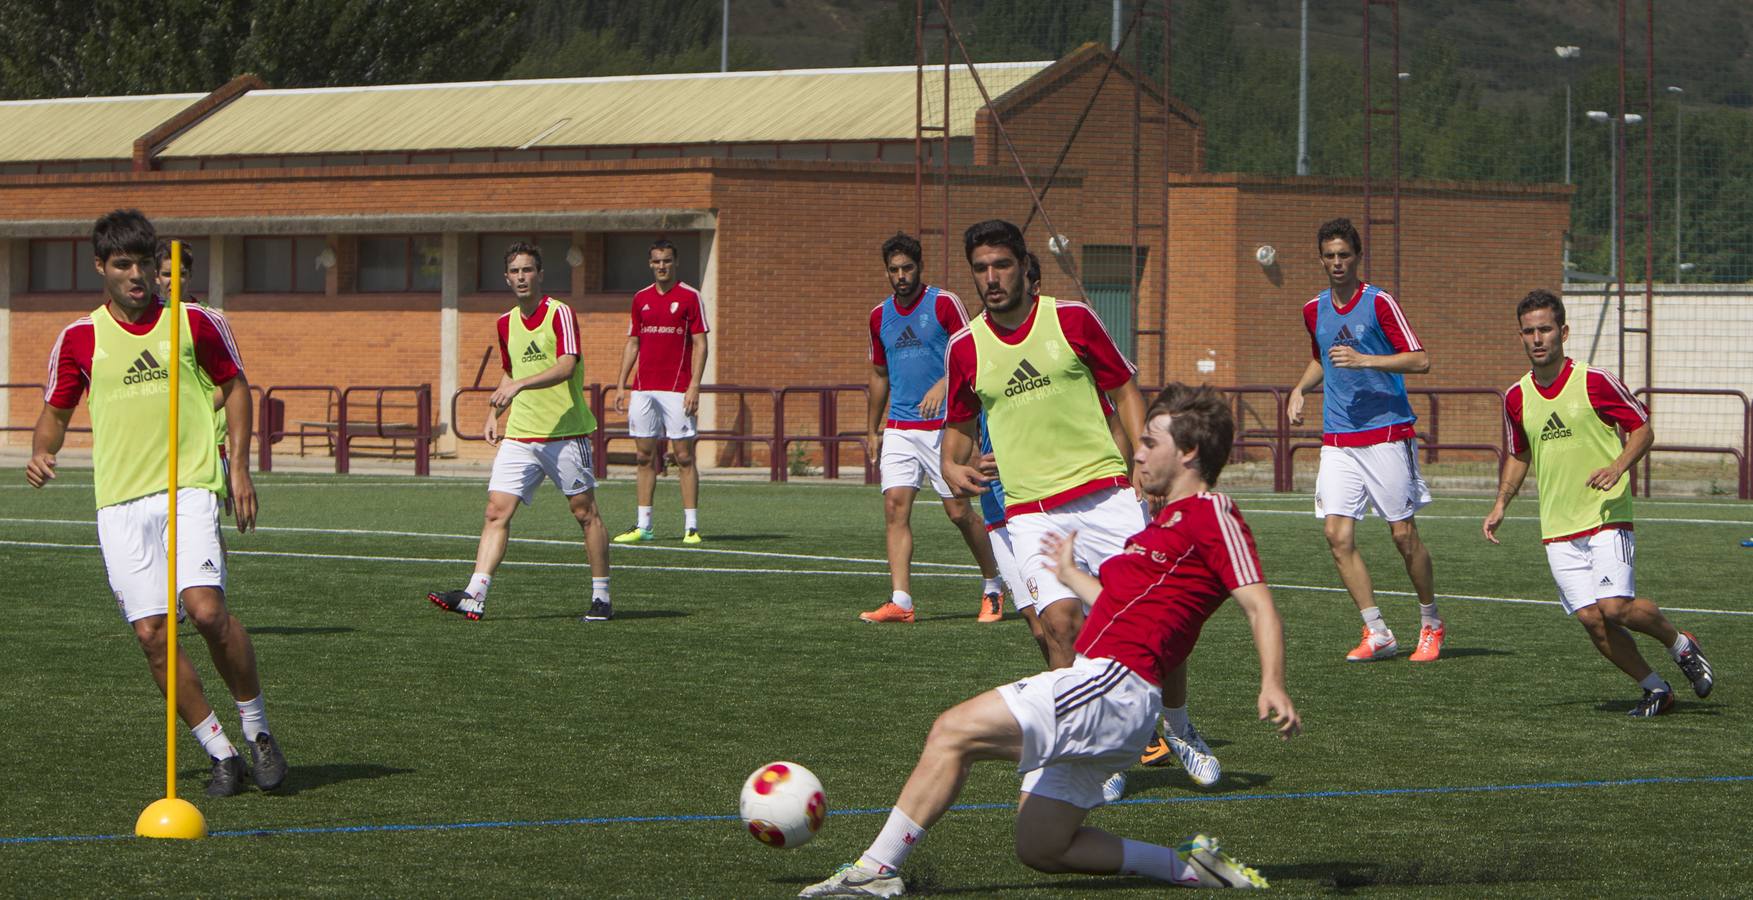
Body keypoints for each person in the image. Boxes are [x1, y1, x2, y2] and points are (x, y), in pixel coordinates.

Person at [800, 383, 1300, 898]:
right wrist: (1070, 572)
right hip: (1111, 691)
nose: (1138, 450)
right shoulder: (1155, 526)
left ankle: (876, 870)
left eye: (1151, 442)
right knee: (1042, 847)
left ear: (1190, 453)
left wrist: (1273, 683)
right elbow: (1119, 604)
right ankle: (1191, 867)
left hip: (1114, 685)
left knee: (952, 731)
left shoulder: (1213, 512)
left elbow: (1259, 603)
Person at [941, 219, 1218, 800]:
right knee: (1061, 625)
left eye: (1002, 265)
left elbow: (1123, 391)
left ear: (1023, 266)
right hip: (1032, 511)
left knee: (1153, 624)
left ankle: (1180, 725)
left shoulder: (1071, 320)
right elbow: (958, 430)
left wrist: (1146, 465)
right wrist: (952, 468)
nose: (991, 279)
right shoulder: (965, 347)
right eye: (981, 270)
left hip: (1107, 497)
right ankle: (1100, 749)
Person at [26, 209, 286, 796]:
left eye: (147, 263)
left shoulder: (195, 323)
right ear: (101, 268)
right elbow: (55, 414)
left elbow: (238, 389)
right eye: (124, 264)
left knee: (206, 611)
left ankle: (259, 732)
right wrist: (43, 451)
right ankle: (220, 752)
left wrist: (239, 470)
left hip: (188, 487)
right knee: (151, 635)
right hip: (118, 504)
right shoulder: (79, 338)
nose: (139, 275)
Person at [1483, 289, 1714, 716]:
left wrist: (1619, 465)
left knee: (1616, 608)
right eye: (1529, 331)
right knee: (1592, 619)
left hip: (1606, 516)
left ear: (1563, 332)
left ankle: (1680, 643)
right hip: (1557, 528)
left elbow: (1642, 428)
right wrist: (1501, 504)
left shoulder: (1594, 380)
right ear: (1521, 336)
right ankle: (1656, 689)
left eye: (1546, 329)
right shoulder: (1516, 397)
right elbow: (1519, 453)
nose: (1537, 338)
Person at [427, 241, 613, 622]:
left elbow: (566, 365)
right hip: (521, 434)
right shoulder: (505, 322)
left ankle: (602, 598)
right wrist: (494, 412)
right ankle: (474, 595)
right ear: (507, 278)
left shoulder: (560, 314)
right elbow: (510, 373)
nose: (521, 277)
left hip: (565, 432)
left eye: (528, 270)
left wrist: (519, 385)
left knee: (584, 513)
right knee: (496, 510)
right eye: (515, 272)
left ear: (540, 274)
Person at [1288, 217, 1444, 663]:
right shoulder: (1313, 309)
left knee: (1402, 535)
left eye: (1344, 255)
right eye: (1330, 256)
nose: (1337, 263)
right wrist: (1301, 389)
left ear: (1357, 257)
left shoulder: (1379, 303)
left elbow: (1421, 360)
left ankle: (1431, 623)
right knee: (1336, 535)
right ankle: (1377, 631)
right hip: (1338, 438)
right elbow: (1323, 359)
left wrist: (1365, 359)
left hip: (1387, 434)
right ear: (1321, 259)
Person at [859, 232, 1003, 624]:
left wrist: (944, 381)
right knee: (894, 508)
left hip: (944, 427)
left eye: (907, 268)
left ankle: (993, 585)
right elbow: (878, 374)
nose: (901, 276)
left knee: (958, 512)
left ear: (919, 267)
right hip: (899, 427)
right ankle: (901, 601)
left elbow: (971, 348)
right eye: (894, 270)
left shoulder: (944, 303)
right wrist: (872, 429)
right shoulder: (879, 316)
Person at [610, 238, 709, 544]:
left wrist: (694, 385)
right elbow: (633, 343)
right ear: (650, 264)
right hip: (643, 389)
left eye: (666, 261)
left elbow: (700, 344)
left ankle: (691, 527)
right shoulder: (641, 299)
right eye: (656, 261)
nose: (661, 266)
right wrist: (621, 383)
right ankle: (643, 526)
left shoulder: (690, 297)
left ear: (674, 262)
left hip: (678, 389)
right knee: (643, 456)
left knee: (683, 456)